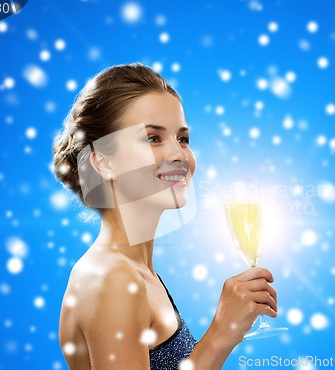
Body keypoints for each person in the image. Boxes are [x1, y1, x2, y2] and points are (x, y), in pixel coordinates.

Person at [52, 63, 278, 370]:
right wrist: (222, 332)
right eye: (153, 138)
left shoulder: (136, 271)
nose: (179, 155)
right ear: (103, 162)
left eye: (182, 139)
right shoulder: (113, 280)